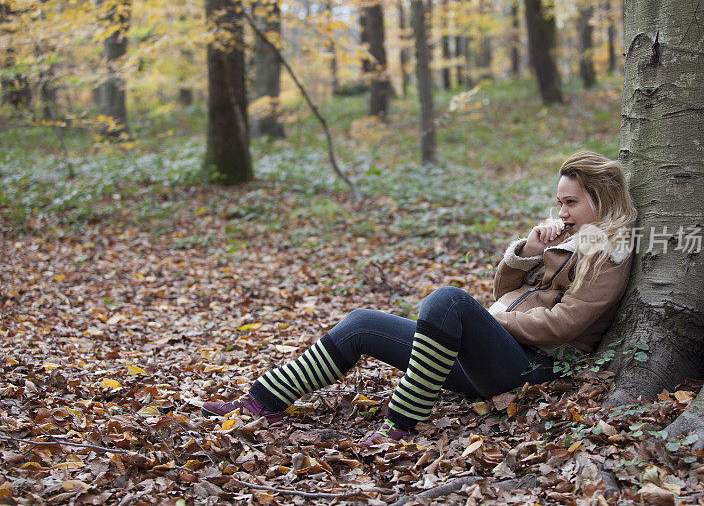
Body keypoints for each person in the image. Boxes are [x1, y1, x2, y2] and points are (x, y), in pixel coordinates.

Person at [201, 151, 637, 445]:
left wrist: (491, 322)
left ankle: (400, 424)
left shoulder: (610, 255)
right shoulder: (565, 238)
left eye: (571, 203)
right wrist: (528, 252)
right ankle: (263, 400)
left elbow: (565, 324)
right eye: (559, 202)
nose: (561, 212)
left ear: (602, 200)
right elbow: (504, 293)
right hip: (489, 358)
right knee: (360, 323)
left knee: (447, 301)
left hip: (531, 369)